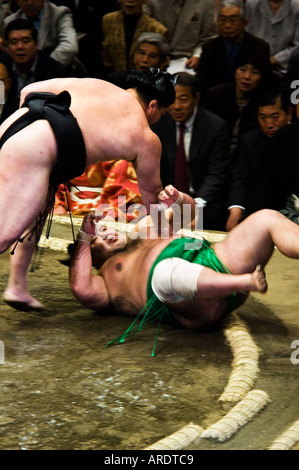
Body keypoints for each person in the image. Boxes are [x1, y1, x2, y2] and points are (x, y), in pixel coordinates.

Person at [0, 69, 177, 311]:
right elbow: (152, 199)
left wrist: (45, 125)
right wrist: (166, 243)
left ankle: (17, 287)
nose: (159, 120)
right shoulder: (145, 136)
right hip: (34, 152)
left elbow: (28, 91)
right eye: (163, 114)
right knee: (4, 235)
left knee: (36, 216)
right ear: (154, 106)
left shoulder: (96, 85)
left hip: (12, 129)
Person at [69, 185, 299, 356]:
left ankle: (238, 280)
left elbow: (188, 215)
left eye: (103, 228)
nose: (105, 233)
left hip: (217, 262)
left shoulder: (144, 227)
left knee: (266, 218)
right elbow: (81, 288)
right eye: (96, 238)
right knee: (164, 272)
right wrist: (83, 235)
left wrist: (180, 198)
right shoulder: (106, 278)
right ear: (91, 259)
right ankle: (244, 282)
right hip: (189, 302)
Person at [151, 72, 230, 231]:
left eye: (183, 99)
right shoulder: (158, 124)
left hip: (202, 198)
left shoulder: (215, 127)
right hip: (167, 198)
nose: (177, 106)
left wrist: (194, 206)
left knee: (207, 217)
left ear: (196, 99)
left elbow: (216, 173)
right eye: (172, 100)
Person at [226, 88, 294, 231]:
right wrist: (236, 210)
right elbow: (241, 178)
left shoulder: (295, 138)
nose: (269, 124)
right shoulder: (250, 140)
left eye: (275, 117)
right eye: (262, 117)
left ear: (289, 113)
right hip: (257, 210)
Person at [196, 0, 271, 100]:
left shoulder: (260, 47)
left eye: (232, 20)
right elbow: (202, 85)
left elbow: (266, 85)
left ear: (244, 23)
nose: (227, 26)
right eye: (222, 20)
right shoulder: (209, 48)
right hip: (216, 102)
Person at [204, 51, 276, 154]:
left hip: (250, 156)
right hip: (215, 153)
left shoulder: (265, 102)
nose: (247, 77)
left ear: (261, 78)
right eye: (242, 70)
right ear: (235, 72)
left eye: (254, 72)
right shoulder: (216, 95)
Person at [0, 18, 67, 123]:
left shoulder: (54, 71)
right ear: (7, 46)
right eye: (14, 42)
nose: (20, 47)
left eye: (25, 41)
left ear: (36, 44)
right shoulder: (2, 67)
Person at [143, 0, 217, 73]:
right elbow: (142, 30)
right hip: (155, 57)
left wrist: (197, 55)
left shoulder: (206, 3)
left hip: (187, 60)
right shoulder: (151, 2)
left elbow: (208, 37)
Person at [4, 0, 78, 67]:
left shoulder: (59, 13)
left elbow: (70, 47)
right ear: (17, 2)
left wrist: (44, 67)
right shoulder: (9, 22)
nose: (30, 3)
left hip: (54, 68)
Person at [101, 0, 168, 75]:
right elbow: (106, 57)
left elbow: (163, 64)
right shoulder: (108, 20)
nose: (130, 1)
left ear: (145, 1)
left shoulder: (157, 29)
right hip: (114, 79)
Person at [245, 0, 299, 76]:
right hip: (256, 64)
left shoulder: (296, 6)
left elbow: (297, 45)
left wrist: (276, 59)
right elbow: (247, 38)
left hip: (287, 67)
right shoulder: (252, 4)